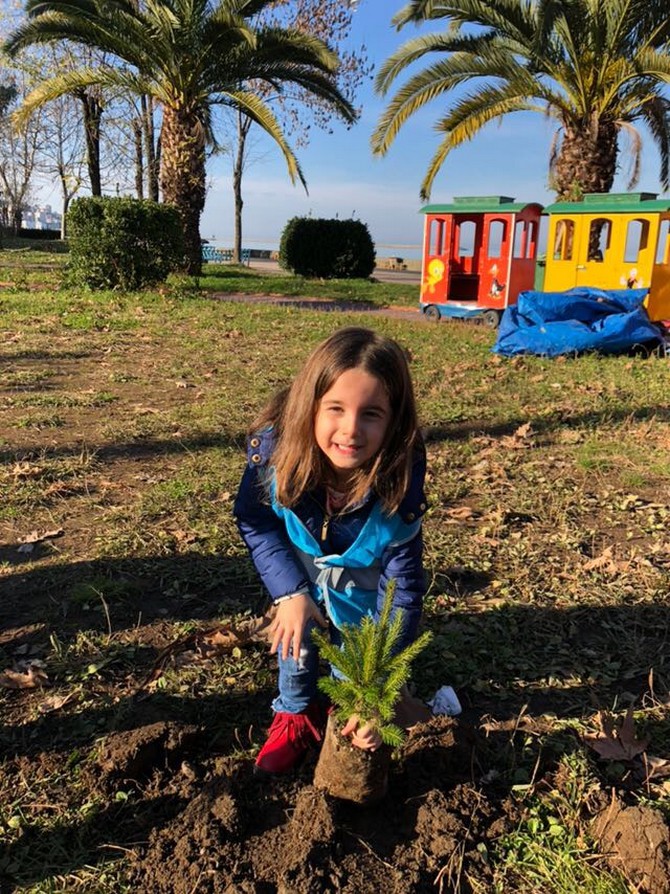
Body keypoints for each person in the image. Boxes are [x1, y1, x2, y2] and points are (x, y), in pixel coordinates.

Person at [234, 326, 428, 774]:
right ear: (309, 407)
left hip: (362, 591)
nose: (350, 430)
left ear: (395, 421)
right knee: (296, 639)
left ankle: (349, 716)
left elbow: (402, 587)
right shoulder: (276, 460)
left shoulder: (400, 483)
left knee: (355, 666)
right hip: (299, 575)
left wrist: (372, 689)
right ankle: (295, 712)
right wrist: (290, 593)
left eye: (372, 414)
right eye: (335, 409)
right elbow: (256, 523)